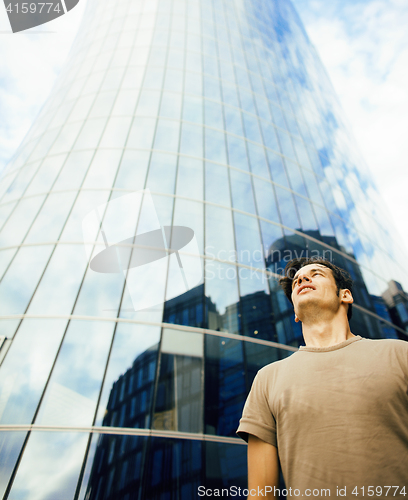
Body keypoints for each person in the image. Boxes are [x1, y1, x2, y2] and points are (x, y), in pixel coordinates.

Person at [236, 257, 408, 499]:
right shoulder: (267, 379)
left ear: (345, 295)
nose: (303, 279)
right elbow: (260, 494)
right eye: (297, 280)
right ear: (295, 313)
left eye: (316, 274)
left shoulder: (400, 354)